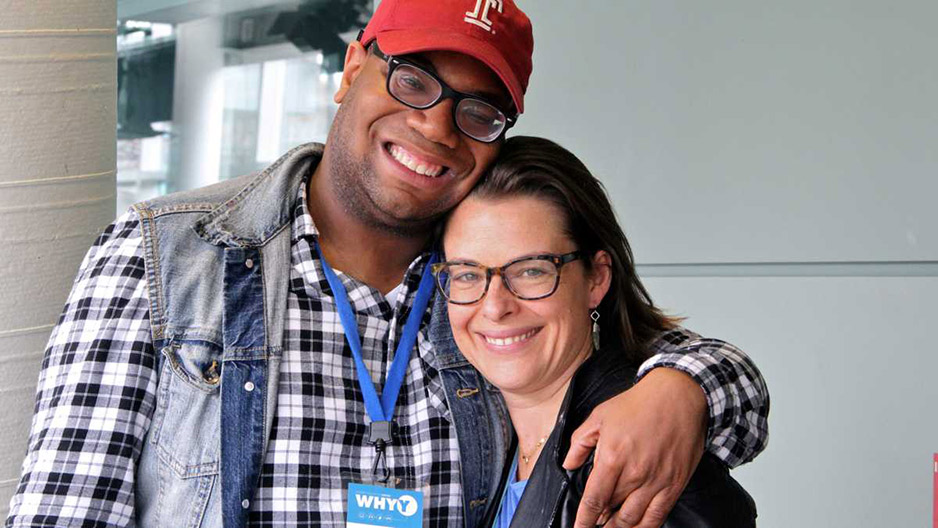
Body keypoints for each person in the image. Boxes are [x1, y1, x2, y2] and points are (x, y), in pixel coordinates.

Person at [6, 1, 768, 527]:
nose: (435, 126)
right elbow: (65, 509)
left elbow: (695, 372)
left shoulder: (481, 281)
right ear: (351, 70)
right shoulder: (169, 257)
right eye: (411, 79)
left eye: (478, 111)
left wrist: (684, 390)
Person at [432, 136, 760, 527]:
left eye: (532, 270)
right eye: (468, 274)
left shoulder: (634, 459)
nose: (495, 306)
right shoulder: (488, 439)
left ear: (596, 278)